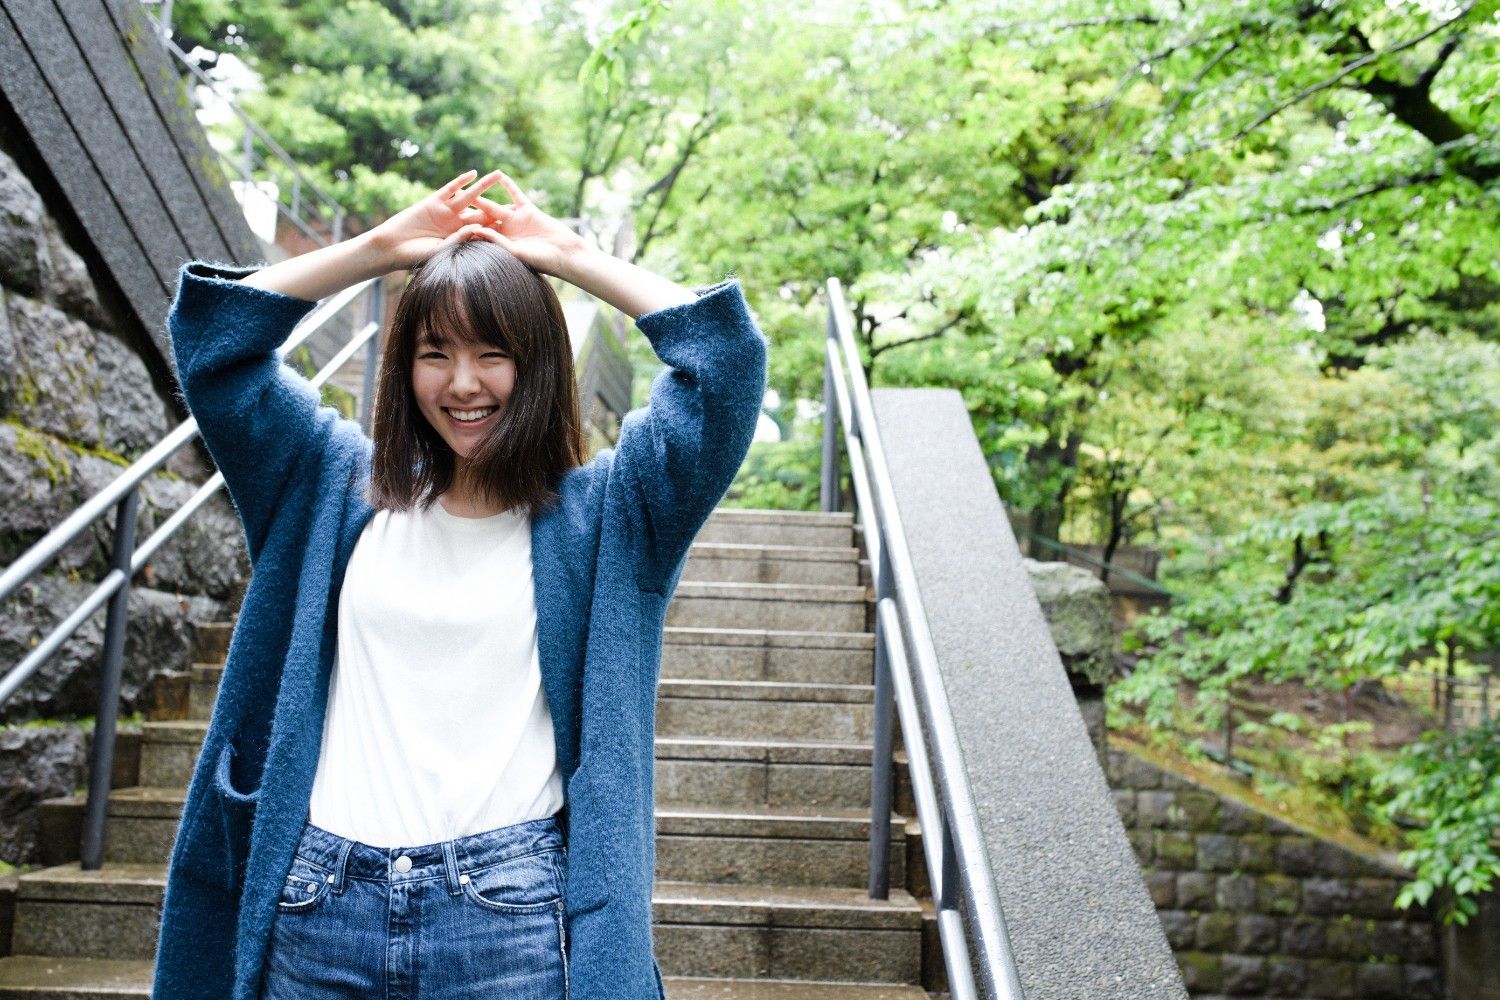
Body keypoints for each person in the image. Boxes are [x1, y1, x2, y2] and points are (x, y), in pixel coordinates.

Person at [150, 169, 769, 999]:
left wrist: (569, 256)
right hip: (317, 904)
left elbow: (725, 364)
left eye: (492, 353)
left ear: (536, 364)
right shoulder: (327, 482)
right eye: (434, 353)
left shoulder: (611, 517)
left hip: (506, 918)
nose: (462, 383)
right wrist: (380, 250)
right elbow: (214, 346)